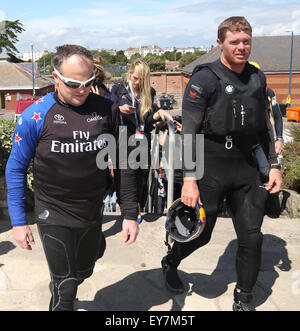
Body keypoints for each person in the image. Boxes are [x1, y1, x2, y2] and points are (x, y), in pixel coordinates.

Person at [161, 16, 282, 311]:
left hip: (246, 168)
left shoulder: (257, 77)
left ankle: (243, 300)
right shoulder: (204, 79)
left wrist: (275, 164)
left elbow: (264, 126)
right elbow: (188, 131)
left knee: (252, 238)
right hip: (210, 166)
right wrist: (189, 179)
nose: (241, 47)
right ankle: (171, 260)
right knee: (202, 233)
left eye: (246, 41)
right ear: (220, 44)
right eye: (234, 42)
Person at [5, 44, 139, 311]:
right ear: (55, 77)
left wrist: (130, 214)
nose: (82, 89)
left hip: (90, 209)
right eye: (73, 83)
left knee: (82, 273)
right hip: (52, 210)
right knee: (67, 287)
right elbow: (16, 168)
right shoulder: (35, 115)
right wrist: (19, 222)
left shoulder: (107, 110)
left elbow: (125, 163)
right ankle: (62, 290)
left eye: (88, 82)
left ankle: (65, 279)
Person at [110, 59, 173, 222]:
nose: (136, 82)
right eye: (134, 77)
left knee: (141, 174)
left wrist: (158, 116)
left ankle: (136, 204)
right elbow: (108, 111)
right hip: (123, 137)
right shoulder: (119, 89)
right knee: (124, 175)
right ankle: (129, 209)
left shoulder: (149, 92)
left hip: (142, 138)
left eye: (140, 79)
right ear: (130, 73)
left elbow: (148, 120)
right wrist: (119, 109)